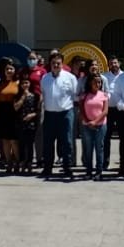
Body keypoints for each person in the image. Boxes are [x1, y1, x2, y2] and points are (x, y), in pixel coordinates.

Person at [39, 51, 79, 179]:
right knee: (48, 142)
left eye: (58, 63)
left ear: (62, 64)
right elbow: (43, 94)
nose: (56, 65)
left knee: (67, 142)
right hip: (49, 114)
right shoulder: (45, 78)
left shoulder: (70, 78)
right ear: (50, 64)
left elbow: (76, 95)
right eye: (53, 63)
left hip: (65, 114)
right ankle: (47, 168)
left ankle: (67, 168)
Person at [77, 71, 110, 180]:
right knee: (88, 149)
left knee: (99, 148)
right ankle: (88, 171)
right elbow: (81, 110)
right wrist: (88, 122)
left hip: (100, 126)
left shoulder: (104, 95)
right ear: (90, 82)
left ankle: (99, 171)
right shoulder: (84, 95)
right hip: (87, 126)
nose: (98, 84)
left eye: (99, 82)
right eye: (95, 82)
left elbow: (105, 111)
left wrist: (95, 122)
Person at [0, 60, 22, 172]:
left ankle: (17, 162)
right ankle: (9, 163)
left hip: (14, 113)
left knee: (14, 140)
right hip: (2, 112)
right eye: (7, 69)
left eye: (11, 69)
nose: (9, 71)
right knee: (5, 140)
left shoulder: (19, 83)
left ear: (15, 70)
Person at [14, 75, 41, 174]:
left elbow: (38, 110)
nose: (25, 85)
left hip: (31, 123)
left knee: (29, 144)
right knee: (21, 144)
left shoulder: (35, 96)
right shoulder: (17, 95)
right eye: (23, 83)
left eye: (26, 83)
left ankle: (29, 162)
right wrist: (23, 96)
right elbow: (16, 107)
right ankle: (21, 162)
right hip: (20, 123)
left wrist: (32, 115)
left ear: (30, 84)